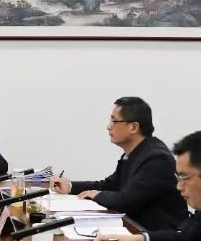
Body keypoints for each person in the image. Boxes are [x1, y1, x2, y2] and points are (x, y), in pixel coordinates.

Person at [50, 96, 185, 231]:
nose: (108, 127)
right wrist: (70, 186)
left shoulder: (157, 159)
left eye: (114, 121)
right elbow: (110, 186)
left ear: (133, 127)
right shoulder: (135, 153)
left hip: (160, 236)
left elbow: (127, 200)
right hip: (136, 229)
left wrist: (97, 194)